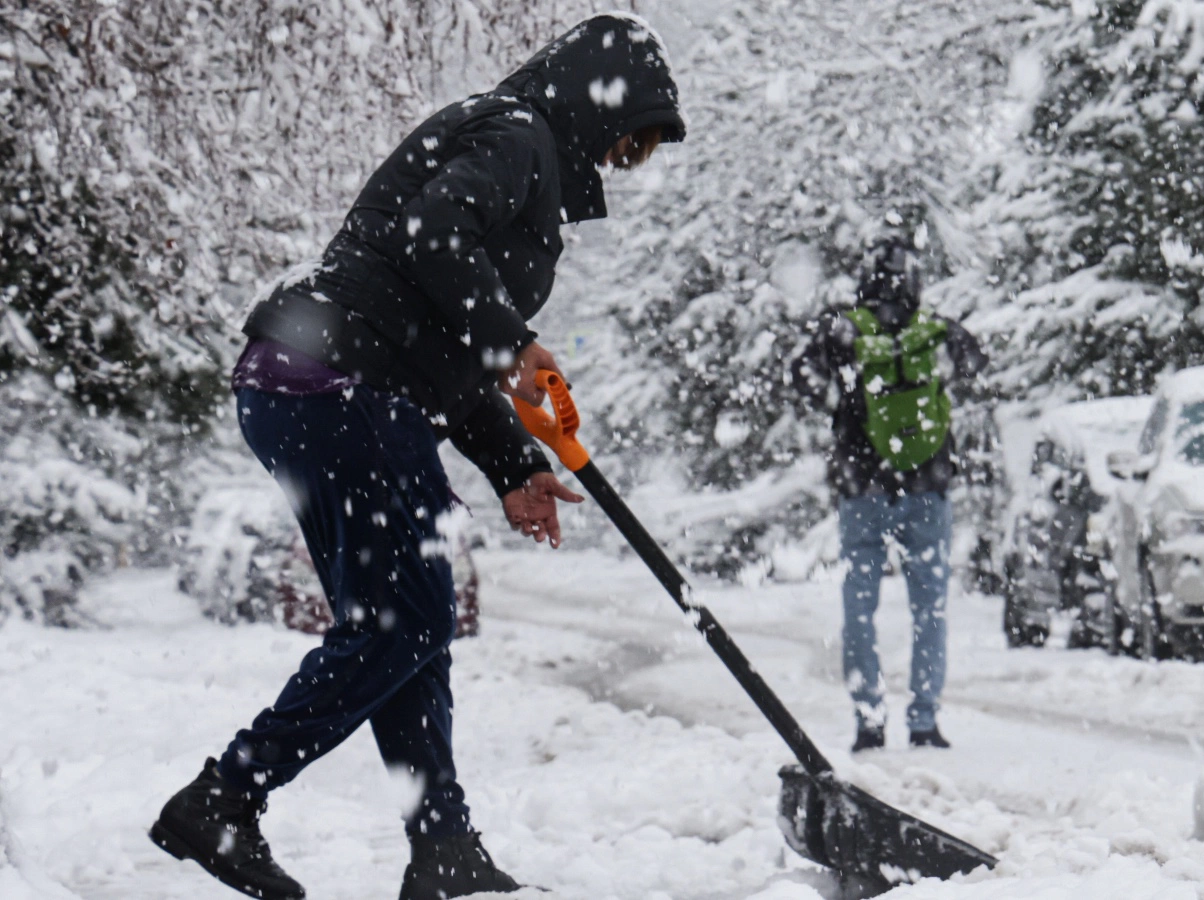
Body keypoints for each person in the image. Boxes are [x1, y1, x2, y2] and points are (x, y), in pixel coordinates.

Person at [148, 15, 685, 900]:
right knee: (406, 621)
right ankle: (224, 798)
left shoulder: (518, 142)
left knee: (403, 629)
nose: (630, 159)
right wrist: (513, 343)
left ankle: (443, 849)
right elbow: (434, 235)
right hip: (342, 387)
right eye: (633, 137)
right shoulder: (520, 136)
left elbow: (439, 334)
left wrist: (515, 468)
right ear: (603, 106)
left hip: (312, 385)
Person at [789, 236, 989, 753]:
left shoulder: (845, 330)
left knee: (860, 606)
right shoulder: (935, 329)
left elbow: (802, 375)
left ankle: (869, 717)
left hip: (863, 486)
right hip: (927, 484)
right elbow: (974, 363)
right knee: (930, 609)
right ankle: (924, 720)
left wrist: (840, 408)